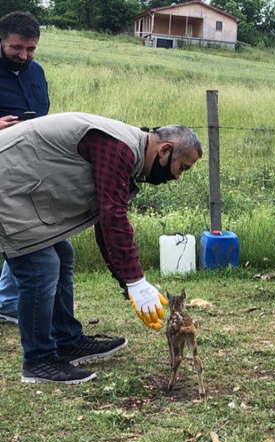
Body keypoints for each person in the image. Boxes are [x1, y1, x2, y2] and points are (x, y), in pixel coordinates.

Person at [0, 112, 203, 384]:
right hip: (8, 184)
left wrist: (128, 282)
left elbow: (102, 221)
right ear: (165, 151)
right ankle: (38, 361)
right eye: (182, 168)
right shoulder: (119, 147)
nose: (178, 177)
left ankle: (67, 341)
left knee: (61, 253)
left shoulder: (127, 150)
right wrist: (135, 281)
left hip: (20, 185)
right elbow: (112, 216)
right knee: (41, 267)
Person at [0, 11, 49, 325]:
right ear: (1, 40)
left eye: (30, 49)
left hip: (30, 164)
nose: (24, 55)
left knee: (26, 236)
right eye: (17, 48)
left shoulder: (36, 71)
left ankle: (5, 303)